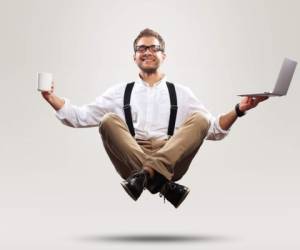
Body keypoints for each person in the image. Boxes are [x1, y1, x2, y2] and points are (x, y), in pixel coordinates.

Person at [41, 28, 268, 208]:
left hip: (171, 159)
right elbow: (80, 117)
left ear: (163, 55)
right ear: (134, 56)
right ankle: (163, 185)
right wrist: (50, 97)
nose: (147, 52)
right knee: (108, 120)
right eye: (141, 48)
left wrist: (240, 109)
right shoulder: (120, 92)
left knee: (200, 119)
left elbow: (213, 130)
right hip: (131, 158)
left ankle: (148, 176)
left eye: (153, 48)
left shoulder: (181, 93)